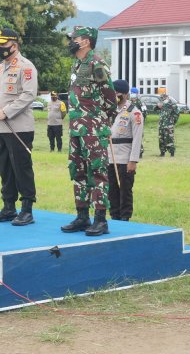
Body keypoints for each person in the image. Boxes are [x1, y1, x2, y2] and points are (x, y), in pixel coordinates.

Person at [61, 26, 118, 236]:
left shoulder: (97, 64)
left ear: (85, 41)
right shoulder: (77, 64)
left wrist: (101, 121)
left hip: (93, 129)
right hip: (76, 129)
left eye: (74, 38)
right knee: (78, 171)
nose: (71, 42)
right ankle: (82, 216)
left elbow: (110, 98)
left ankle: (101, 220)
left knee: (97, 172)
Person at [0, 28, 38, 226]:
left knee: (21, 168)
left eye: (3, 44)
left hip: (19, 128)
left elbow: (28, 95)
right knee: (5, 168)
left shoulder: (26, 67)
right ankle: (8, 206)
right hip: (0, 128)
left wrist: (6, 111)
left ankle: (26, 209)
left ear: (14, 45)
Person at [107, 80, 144, 221]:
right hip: (111, 157)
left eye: (117, 93)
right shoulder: (110, 110)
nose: (114, 95)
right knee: (112, 191)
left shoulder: (134, 113)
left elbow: (137, 139)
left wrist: (133, 160)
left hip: (125, 157)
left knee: (125, 191)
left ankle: (125, 219)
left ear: (125, 94)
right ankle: (114, 218)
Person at [156, 88, 179, 157]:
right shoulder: (161, 102)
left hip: (169, 125)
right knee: (161, 139)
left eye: (162, 95)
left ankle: (172, 153)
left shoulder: (171, 103)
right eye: (160, 96)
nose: (161, 97)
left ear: (166, 95)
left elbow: (177, 113)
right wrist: (158, 106)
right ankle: (162, 152)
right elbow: (155, 109)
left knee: (169, 138)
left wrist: (172, 122)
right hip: (161, 125)